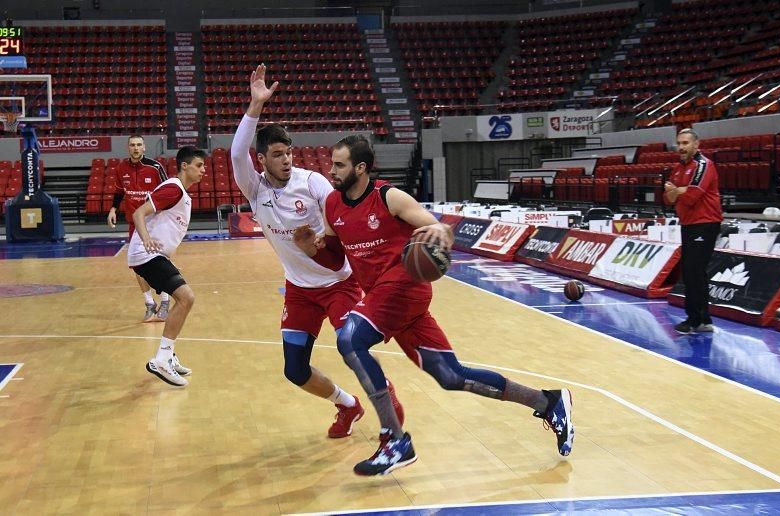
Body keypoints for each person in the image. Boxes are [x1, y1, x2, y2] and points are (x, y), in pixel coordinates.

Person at [294, 135, 574, 476]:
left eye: (339, 164)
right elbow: (336, 257)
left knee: (350, 339)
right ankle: (548, 402)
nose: (332, 170)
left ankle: (395, 440)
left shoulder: (389, 196)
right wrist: (313, 250)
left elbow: (436, 226)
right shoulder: (333, 205)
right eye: (332, 164)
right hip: (385, 299)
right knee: (451, 376)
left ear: (361, 168)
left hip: (404, 286)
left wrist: (441, 230)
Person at [230, 64, 404, 439]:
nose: (286, 159)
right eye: (277, 154)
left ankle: (385, 401)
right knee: (295, 370)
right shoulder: (255, 189)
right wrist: (255, 105)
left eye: (289, 152)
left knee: (352, 348)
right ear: (262, 160)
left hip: (338, 284)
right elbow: (235, 152)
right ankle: (347, 404)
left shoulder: (313, 182)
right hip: (299, 289)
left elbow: (346, 216)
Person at [129, 146, 206, 387]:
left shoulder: (182, 193)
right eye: (199, 165)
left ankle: (168, 355)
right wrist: (146, 239)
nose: (203, 170)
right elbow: (139, 213)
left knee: (183, 300)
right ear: (185, 166)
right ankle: (162, 358)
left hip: (156, 256)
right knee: (186, 298)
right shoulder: (173, 188)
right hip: (147, 254)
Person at [663, 128, 723, 335]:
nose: (681, 147)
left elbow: (692, 196)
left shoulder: (704, 165)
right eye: (679, 143)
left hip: (705, 223)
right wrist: (679, 191)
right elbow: (668, 199)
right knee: (691, 272)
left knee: (694, 271)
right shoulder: (678, 169)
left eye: (685, 143)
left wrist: (678, 191)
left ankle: (696, 320)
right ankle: (702, 319)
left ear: (696, 145)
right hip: (688, 224)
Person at [108, 134, 171, 322]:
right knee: (137, 266)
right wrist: (113, 209)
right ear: (128, 148)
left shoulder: (155, 167)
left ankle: (165, 301)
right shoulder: (121, 168)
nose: (136, 148)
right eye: (132, 145)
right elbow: (119, 192)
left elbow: (168, 191)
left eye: (139, 145)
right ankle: (150, 304)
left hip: (155, 222)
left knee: (160, 264)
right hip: (134, 225)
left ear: (144, 148)